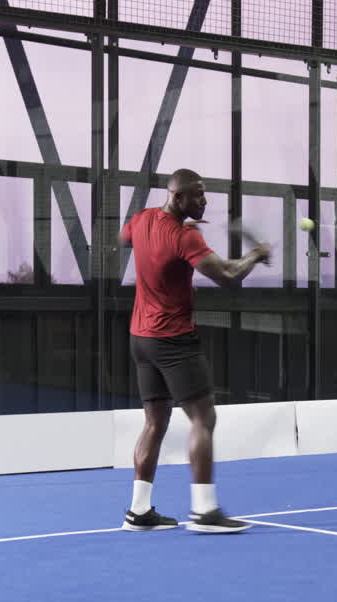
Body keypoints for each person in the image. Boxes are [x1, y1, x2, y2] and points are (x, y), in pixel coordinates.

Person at [120, 168, 270, 533]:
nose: (204, 201)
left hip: (141, 338)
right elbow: (229, 276)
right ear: (178, 197)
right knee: (203, 418)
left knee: (155, 422)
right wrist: (254, 254)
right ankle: (204, 511)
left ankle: (139, 511)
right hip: (173, 340)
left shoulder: (141, 220)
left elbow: (125, 239)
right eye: (198, 195)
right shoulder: (184, 236)